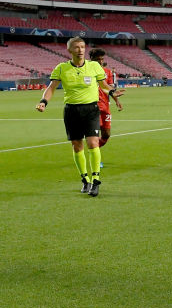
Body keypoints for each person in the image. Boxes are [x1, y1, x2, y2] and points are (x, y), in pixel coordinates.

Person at [35, 37, 117, 197]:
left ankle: (96, 180)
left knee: (93, 142)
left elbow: (104, 86)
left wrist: (112, 92)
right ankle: (85, 179)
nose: (80, 50)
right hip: (72, 111)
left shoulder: (94, 66)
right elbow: (51, 88)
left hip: (91, 109)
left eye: (82, 47)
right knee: (77, 146)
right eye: (76, 47)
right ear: (69, 50)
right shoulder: (62, 68)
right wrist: (44, 101)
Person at [89, 48, 125, 149]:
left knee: (106, 134)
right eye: (98, 59)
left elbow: (109, 88)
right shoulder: (86, 71)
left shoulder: (107, 72)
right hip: (93, 107)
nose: (100, 61)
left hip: (105, 106)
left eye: (102, 59)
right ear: (91, 59)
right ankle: (95, 158)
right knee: (94, 135)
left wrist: (117, 100)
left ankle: (93, 151)